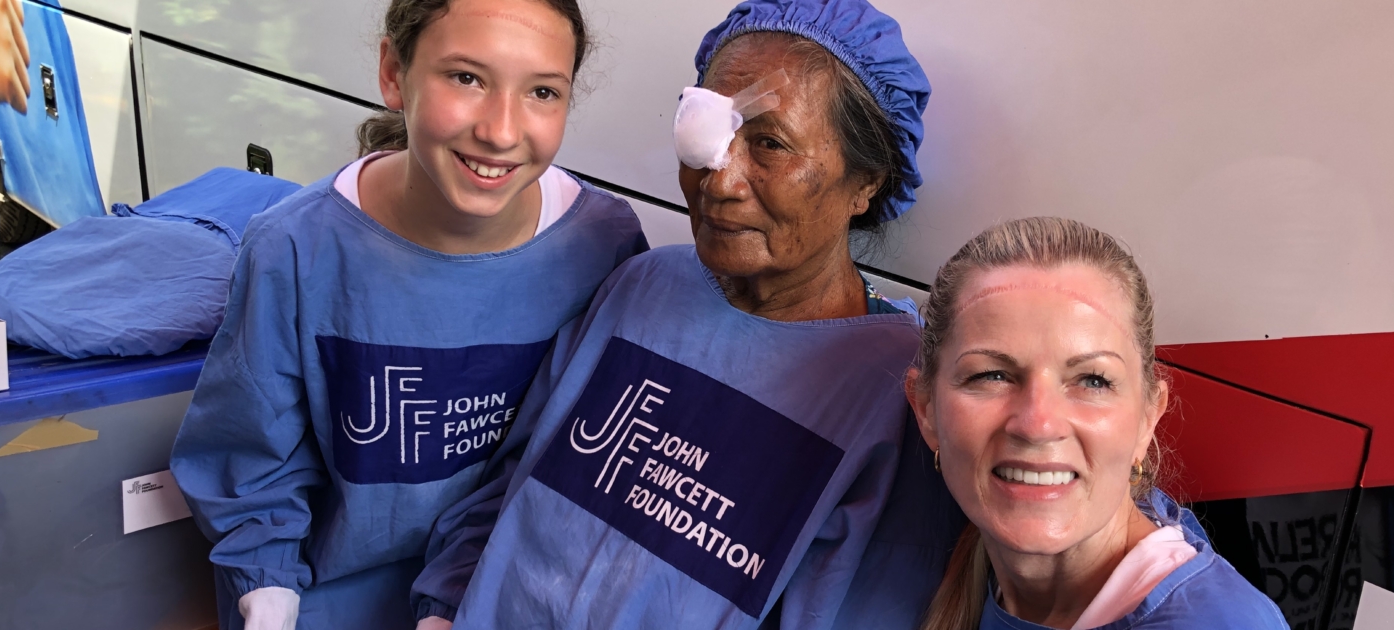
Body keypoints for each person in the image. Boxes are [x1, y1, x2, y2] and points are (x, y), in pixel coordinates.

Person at [409, 0, 966, 627]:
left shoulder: (896, 395)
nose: (719, 178)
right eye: (707, 132)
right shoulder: (645, 283)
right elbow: (513, 481)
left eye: (770, 145)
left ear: (866, 182)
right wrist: (444, 610)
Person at [168, 0, 647, 628]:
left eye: (542, 92)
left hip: (503, 594)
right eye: (467, 78)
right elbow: (250, 460)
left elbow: (570, 468)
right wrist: (266, 598)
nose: (502, 131)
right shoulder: (294, 248)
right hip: (327, 596)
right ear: (395, 73)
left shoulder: (604, 245)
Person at [906, 217, 1289, 630]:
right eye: (991, 376)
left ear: (1148, 418)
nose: (1038, 424)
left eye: (1093, 380)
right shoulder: (972, 572)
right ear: (925, 408)